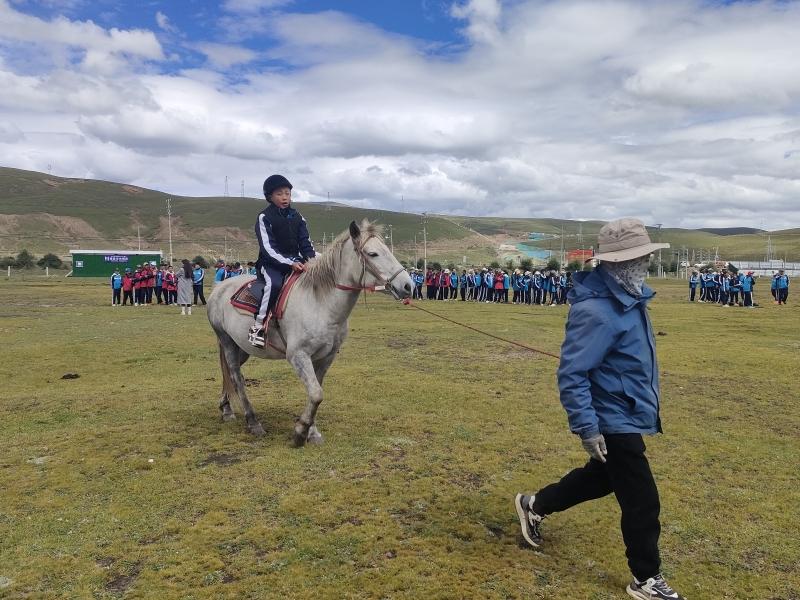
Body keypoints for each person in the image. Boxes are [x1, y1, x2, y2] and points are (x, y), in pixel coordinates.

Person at [514, 218, 685, 600]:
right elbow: (572, 373)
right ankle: (646, 579)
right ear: (614, 263)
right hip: (611, 418)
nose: (643, 265)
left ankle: (534, 505)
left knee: (604, 477)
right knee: (642, 499)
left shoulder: (631, 297)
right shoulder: (597, 311)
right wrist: (587, 428)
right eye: (635, 259)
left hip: (623, 408)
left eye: (645, 257)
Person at [249, 174, 316, 348]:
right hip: (271, 264)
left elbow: (306, 242)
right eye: (279, 194)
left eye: (287, 193)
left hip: (297, 261)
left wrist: (312, 261)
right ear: (270, 196)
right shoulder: (264, 217)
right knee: (274, 285)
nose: (285, 197)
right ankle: (258, 326)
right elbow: (268, 248)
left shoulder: (298, 217)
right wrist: (289, 263)